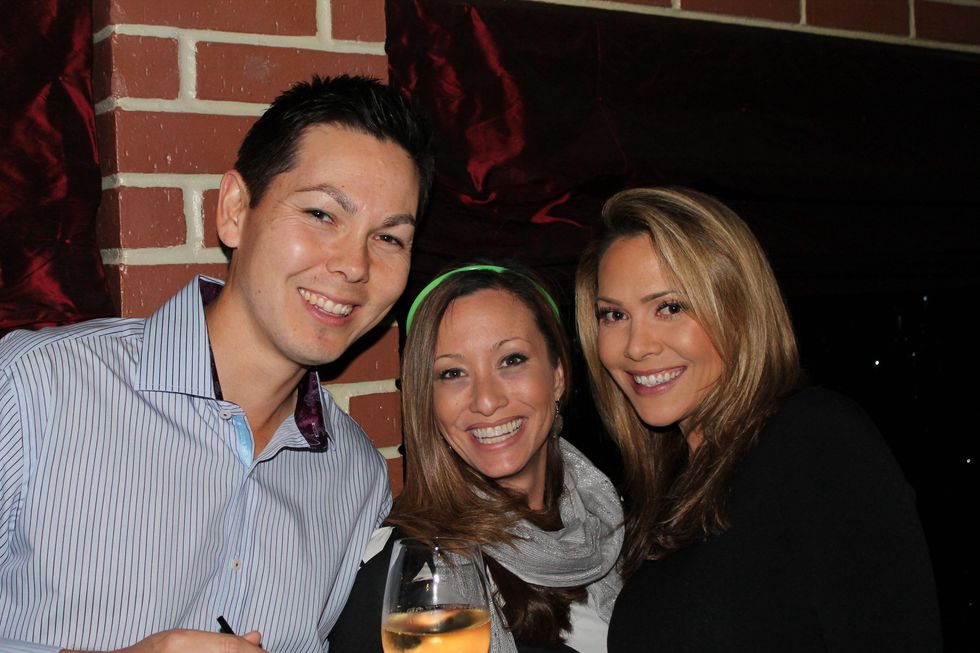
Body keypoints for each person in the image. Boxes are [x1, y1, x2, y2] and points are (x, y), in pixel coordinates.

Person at [0, 74, 433, 652]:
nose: (354, 265)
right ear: (234, 210)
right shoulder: (36, 385)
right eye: (323, 215)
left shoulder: (355, 478)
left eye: (389, 239)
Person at [574, 186, 943, 652]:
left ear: (738, 310)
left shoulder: (813, 437)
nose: (635, 345)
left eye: (670, 307)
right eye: (614, 315)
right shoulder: (669, 491)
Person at [329, 264, 623, 653]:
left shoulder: (617, 527)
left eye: (511, 360)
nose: (486, 400)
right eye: (452, 373)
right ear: (427, 400)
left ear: (558, 374)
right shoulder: (410, 571)